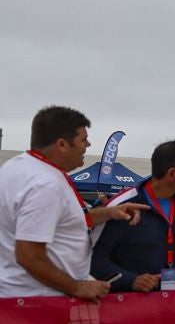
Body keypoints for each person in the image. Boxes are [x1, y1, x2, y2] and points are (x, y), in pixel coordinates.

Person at [0, 106, 141, 302]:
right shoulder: (46, 185)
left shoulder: (18, 167)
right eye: (83, 139)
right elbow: (28, 255)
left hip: (22, 298)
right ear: (62, 145)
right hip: (38, 302)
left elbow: (61, 221)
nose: (88, 144)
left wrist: (110, 212)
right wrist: (76, 287)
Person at [91, 140, 175, 292]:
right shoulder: (122, 206)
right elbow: (92, 258)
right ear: (173, 174)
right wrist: (131, 281)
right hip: (130, 308)